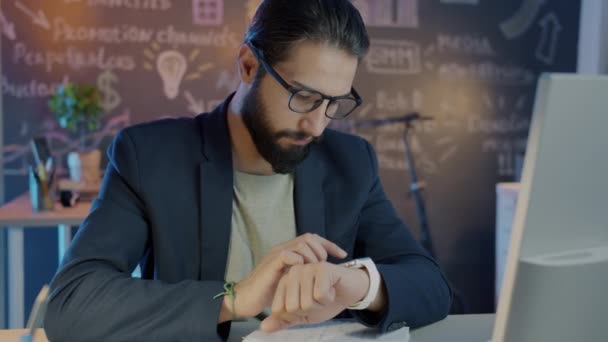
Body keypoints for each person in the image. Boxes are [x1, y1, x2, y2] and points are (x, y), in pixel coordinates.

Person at [44, 0, 452, 340]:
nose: (318, 124)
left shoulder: (350, 162)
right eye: (305, 97)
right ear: (248, 66)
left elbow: (432, 285)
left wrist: (357, 287)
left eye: (335, 103)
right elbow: (72, 303)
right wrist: (235, 298)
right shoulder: (149, 157)